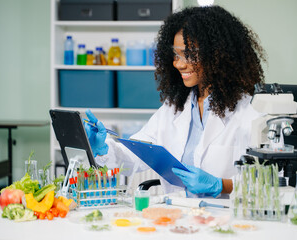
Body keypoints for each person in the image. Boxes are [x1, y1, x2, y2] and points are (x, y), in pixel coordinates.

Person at [85, 5, 266, 198]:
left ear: (217, 55)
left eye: (189, 55)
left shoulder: (249, 112)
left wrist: (220, 185)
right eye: (176, 55)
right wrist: (103, 148)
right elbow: (137, 153)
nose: (179, 64)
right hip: (176, 218)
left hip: (224, 219)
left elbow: (271, 182)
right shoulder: (175, 108)